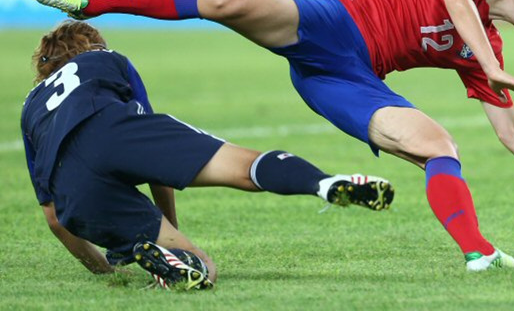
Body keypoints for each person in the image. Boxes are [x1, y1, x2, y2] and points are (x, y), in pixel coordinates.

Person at [28, 0, 514, 272]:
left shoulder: (481, 48)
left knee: (439, 144)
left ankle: (479, 254)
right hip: (330, 17)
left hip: (344, 78)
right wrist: (494, 65)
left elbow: (511, 132)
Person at [20, 21, 395, 290]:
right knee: (245, 167)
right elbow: (154, 164)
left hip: (72, 188)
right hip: (114, 128)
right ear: (93, 45)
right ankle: (323, 183)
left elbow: (53, 219)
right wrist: (171, 221)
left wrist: (103, 272)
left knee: (204, 270)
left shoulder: (30, 106)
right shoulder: (105, 58)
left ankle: (167, 257)